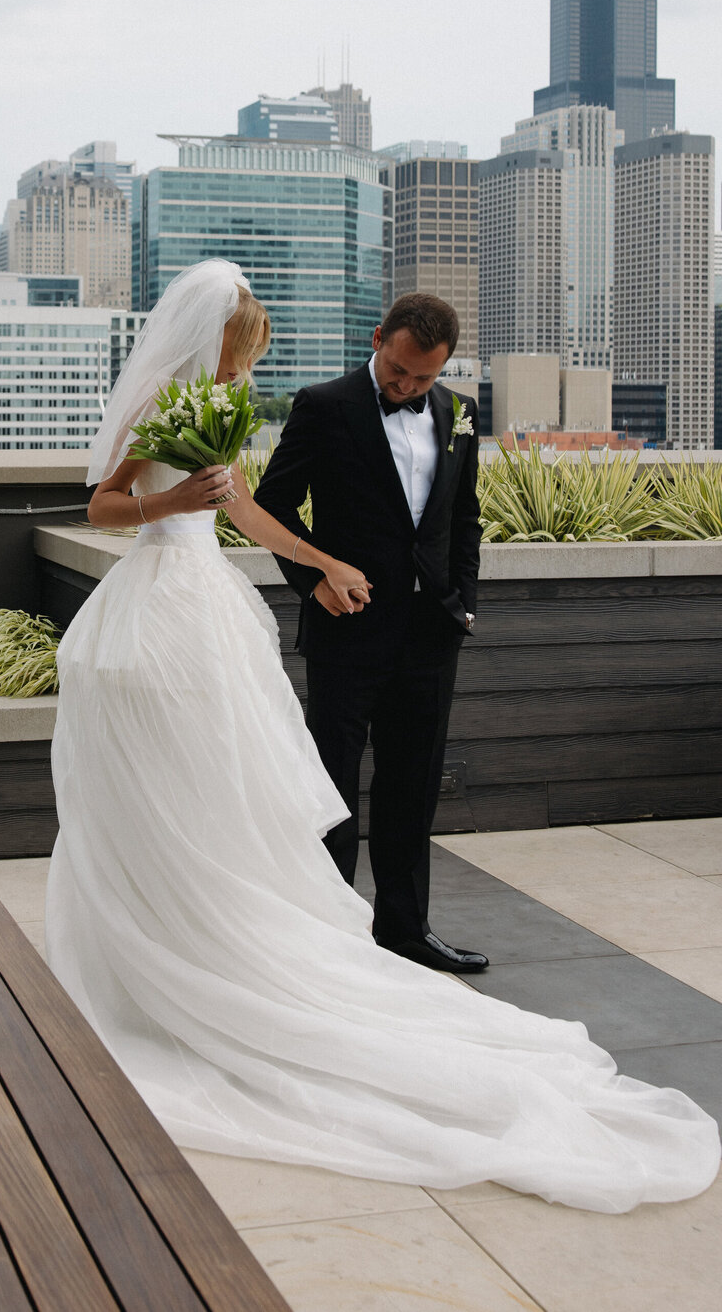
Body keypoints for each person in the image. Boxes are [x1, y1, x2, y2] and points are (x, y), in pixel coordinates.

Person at [45, 258, 719, 1212]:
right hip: (163, 610)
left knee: (256, 789)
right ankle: (163, 947)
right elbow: (109, 504)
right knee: (210, 788)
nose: (251, 357)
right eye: (246, 342)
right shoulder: (181, 394)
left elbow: (248, 508)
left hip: (247, 609)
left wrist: (330, 562)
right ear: (220, 334)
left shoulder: (243, 400)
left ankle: (330, 932)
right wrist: (174, 507)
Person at [253, 291, 485, 974]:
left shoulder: (460, 414)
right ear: (380, 337)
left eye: (423, 379)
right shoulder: (325, 405)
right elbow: (272, 505)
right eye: (399, 371)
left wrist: (463, 604)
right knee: (331, 786)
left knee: (412, 786)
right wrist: (313, 582)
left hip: (429, 634)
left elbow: (463, 517)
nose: (407, 386)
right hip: (346, 630)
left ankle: (407, 930)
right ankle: (332, 937)